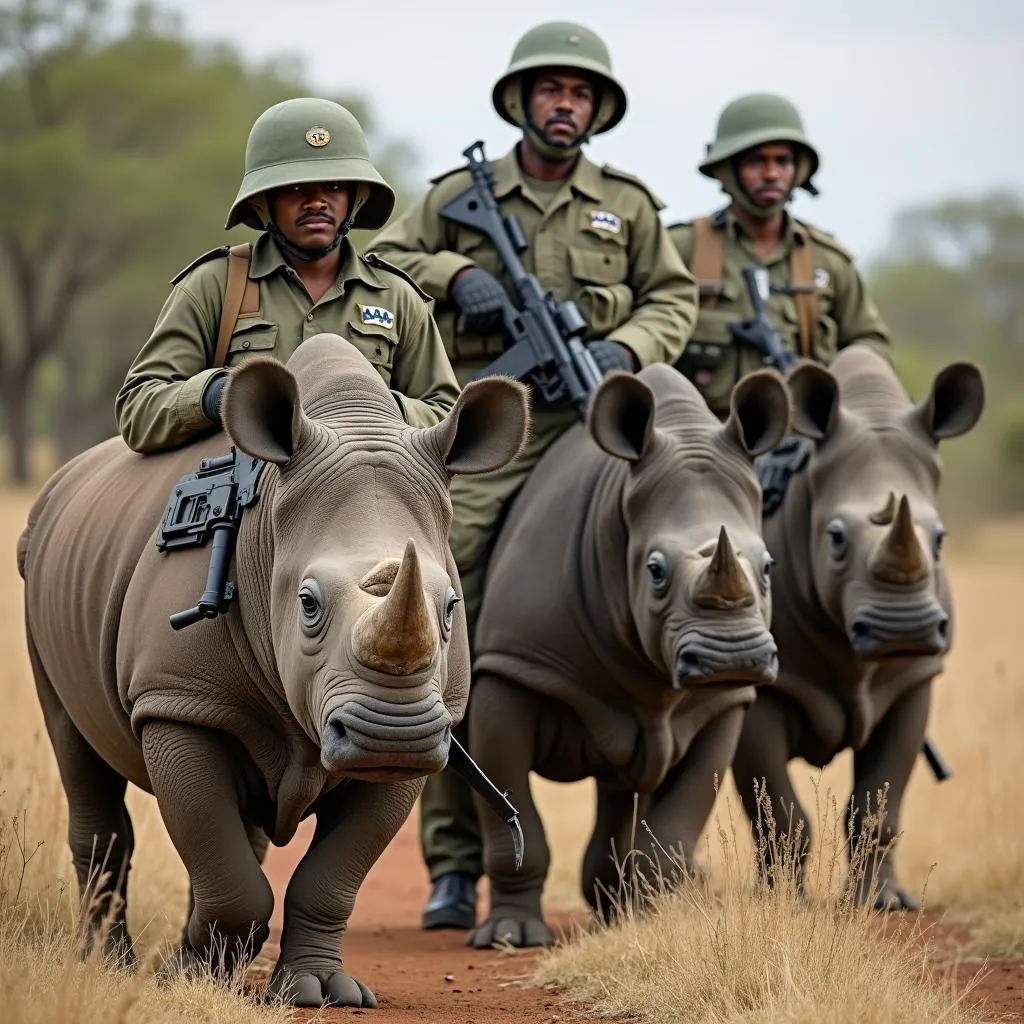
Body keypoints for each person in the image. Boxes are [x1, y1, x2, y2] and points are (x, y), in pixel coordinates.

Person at [370, 20, 698, 931]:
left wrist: (629, 343)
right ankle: (455, 859)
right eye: (551, 90)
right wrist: (456, 272)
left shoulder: (627, 206)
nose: (566, 105)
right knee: (449, 601)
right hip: (492, 424)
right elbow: (382, 260)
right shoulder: (453, 197)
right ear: (521, 102)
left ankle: (661, 808)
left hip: (598, 420)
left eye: (581, 93)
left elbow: (674, 295)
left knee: (680, 569)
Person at [116, 97, 461, 453]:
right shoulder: (216, 285)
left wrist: (374, 408)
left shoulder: (394, 296)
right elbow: (138, 411)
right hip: (248, 500)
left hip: (364, 495)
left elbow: (447, 416)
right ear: (264, 201)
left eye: (334, 186)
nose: (316, 202)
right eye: (295, 188)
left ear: (356, 198)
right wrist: (218, 395)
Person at [670, 92, 891, 419]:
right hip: (703, 440)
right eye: (756, 161)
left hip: (802, 440)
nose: (772, 174)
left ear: (798, 169)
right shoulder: (681, 248)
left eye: (783, 161)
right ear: (728, 169)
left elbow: (870, 345)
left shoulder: (827, 261)